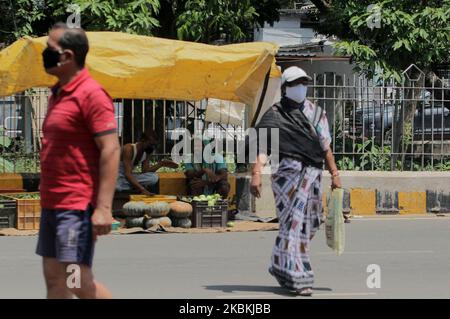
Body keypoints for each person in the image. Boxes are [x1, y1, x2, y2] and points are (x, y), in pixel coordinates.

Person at [36, 23, 120, 299]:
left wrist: (103, 208)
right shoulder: (56, 93)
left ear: (68, 56)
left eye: (49, 50)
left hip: (75, 206)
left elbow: (110, 148)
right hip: (53, 204)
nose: (43, 55)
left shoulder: (91, 94)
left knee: (75, 280)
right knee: (54, 280)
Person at [250, 66, 342, 296]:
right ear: (285, 88)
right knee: (292, 225)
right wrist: (257, 173)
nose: (301, 87)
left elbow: (325, 147)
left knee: (310, 223)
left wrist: (335, 174)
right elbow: (263, 148)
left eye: (304, 83)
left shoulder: (316, 113)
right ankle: (298, 277)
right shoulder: (275, 114)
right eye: (295, 84)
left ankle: (278, 263)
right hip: (286, 178)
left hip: (312, 176)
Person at [115, 131, 178, 195]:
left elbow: (145, 170)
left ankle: (132, 185)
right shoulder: (129, 149)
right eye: (151, 144)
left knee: (153, 177)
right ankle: (132, 186)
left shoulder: (147, 151)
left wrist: (161, 164)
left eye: (154, 145)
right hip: (117, 176)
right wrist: (143, 189)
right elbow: (127, 174)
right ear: (143, 140)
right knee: (117, 186)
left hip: (128, 178)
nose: (152, 147)